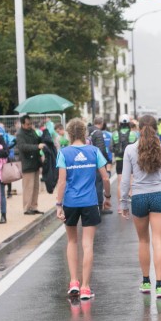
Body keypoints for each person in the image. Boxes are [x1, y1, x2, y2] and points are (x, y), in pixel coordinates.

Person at [55, 118, 112, 300]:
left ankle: (73, 282)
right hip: (90, 202)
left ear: (70, 134)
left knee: (72, 242)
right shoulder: (94, 151)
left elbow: (62, 181)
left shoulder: (64, 153)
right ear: (85, 134)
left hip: (70, 202)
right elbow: (105, 178)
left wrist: (58, 204)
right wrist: (107, 197)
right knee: (88, 245)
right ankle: (86, 287)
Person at [120, 115, 161, 298]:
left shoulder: (130, 149)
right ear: (156, 128)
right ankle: (160, 285)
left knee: (143, 241)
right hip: (159, 195)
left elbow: (125, 180)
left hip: (139, 197)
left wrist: (123, 203)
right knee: (158, 241)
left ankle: (145, 282)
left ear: (139, 128)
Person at [15, 114, 45, 215]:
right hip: (27, 163)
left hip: (35, 162)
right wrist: (37, 147)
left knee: (35, 186)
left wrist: (43, 137)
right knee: (28, 186)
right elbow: (23, 147)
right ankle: (27, 208)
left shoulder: (32, 131)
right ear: (22, 124)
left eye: (31, 123)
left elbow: (37, 140)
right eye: (28, 124)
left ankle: (34, 206)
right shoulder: (20, 134)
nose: (30, 125)